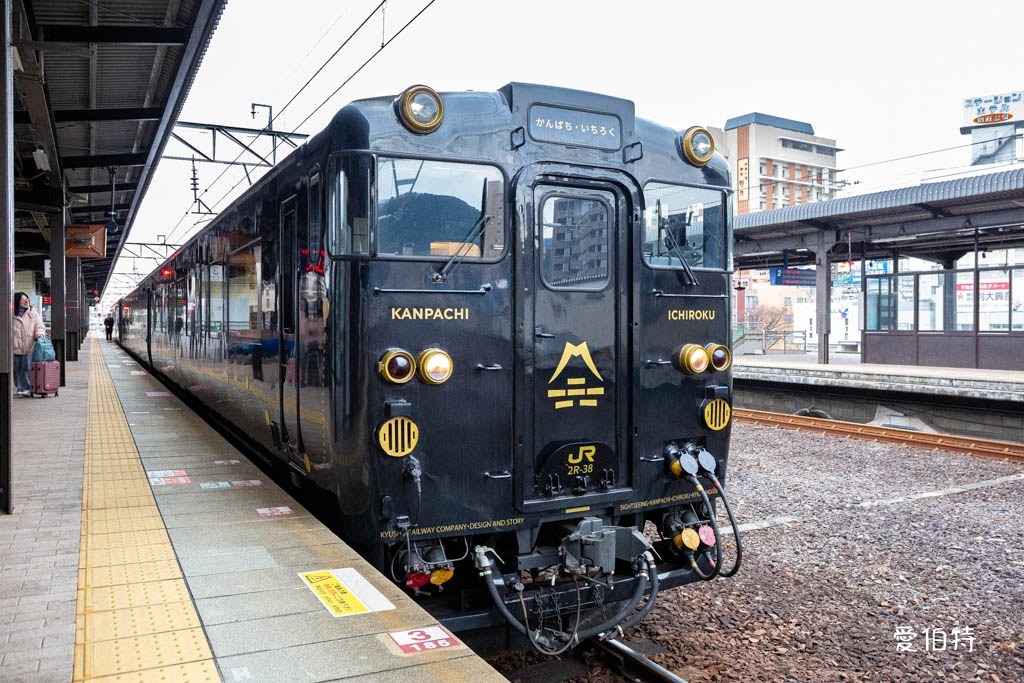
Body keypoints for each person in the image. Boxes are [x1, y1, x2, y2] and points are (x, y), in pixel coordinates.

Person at [12, 292, 47, 397]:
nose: (25, 301)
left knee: (27, 367)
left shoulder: (33, 313)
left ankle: (27, 388)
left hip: (29, 346)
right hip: (14, 346)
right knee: (16, 369)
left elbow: (39, 326)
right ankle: (19, 387)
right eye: (23, 299)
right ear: (17, 301)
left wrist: (40, 335)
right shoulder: (11, 314)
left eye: (26, 299)